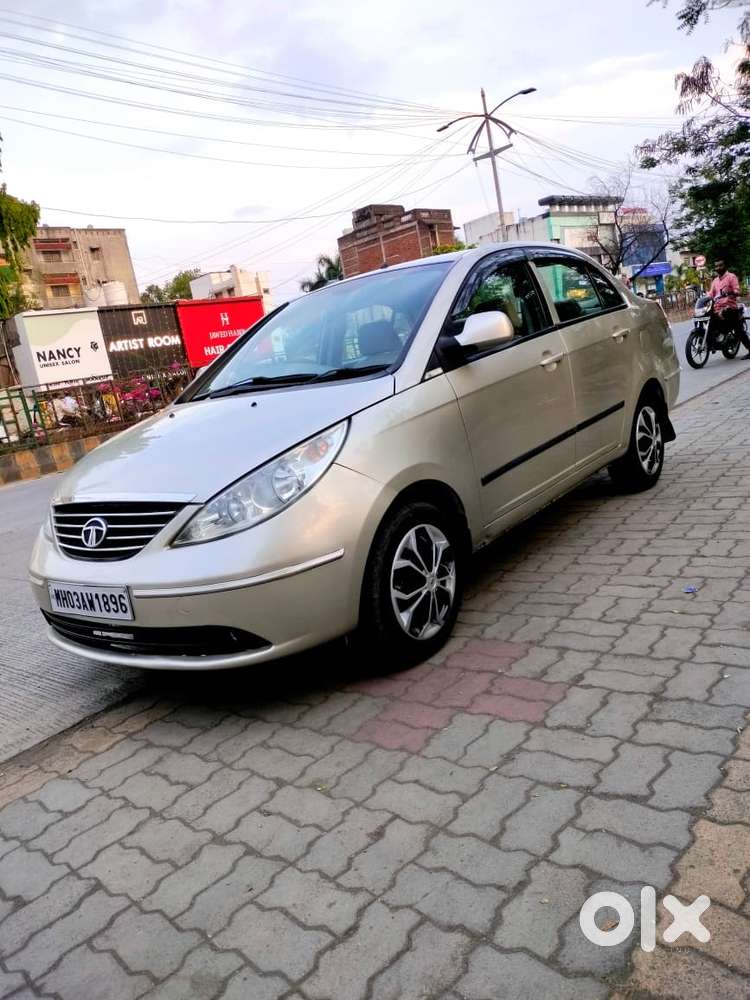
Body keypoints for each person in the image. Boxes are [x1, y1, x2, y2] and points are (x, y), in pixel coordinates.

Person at [709, 259, 750, 358]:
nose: (718, 268)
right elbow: (711, 294)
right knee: (708, 320)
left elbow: (737, 290)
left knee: (738, 331)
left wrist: (732, 292)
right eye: (716, 266)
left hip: (730, 308)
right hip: (717, 308)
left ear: (725, 266)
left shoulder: (731, 277)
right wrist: (703, 299)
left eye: (720, 265)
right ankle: (713, 343)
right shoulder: (715, 281)